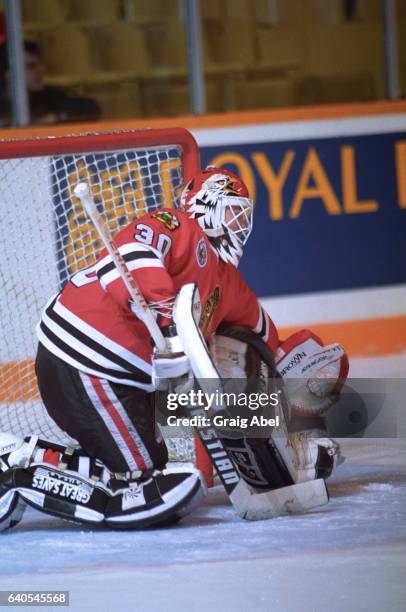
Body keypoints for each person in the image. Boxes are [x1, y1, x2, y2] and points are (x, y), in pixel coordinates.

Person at [0, 166, 348, 531]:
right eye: (232, 210)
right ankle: (20, 477)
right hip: (86, 361)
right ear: (205, 205)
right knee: (140, 478)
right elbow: (128, 252)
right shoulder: (179, 225)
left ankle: (25, 454)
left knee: (152, 461)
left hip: (121, 378)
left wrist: (288, 371)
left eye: (244, 214)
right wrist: (166, 311)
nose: (241, 223)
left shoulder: (228, 283)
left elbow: (260, 337)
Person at [0, 40, 101, 125]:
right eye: (31, 66)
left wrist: (59, 116)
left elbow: (91, 108)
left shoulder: (50, 96)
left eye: (40, 64)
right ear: (9, 74)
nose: (41, 69)